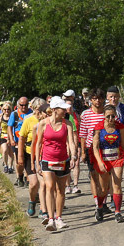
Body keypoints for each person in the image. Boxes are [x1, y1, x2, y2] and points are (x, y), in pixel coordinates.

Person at [33, 97, 79, 232]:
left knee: (61, 190)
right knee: (50, 186)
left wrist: (73, 156)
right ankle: (51, 219)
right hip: (47, 160)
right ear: (54, 109)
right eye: (62, 109)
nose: (65, 111)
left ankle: (59, 218)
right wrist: (37, 163)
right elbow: (38, 144)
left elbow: (71, 142)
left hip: (63, 160)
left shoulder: (67, 124)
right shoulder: (43, 124)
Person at [92, 104, 124, 223]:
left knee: (117, 184)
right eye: (108, 116)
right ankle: (99, 207)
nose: (110, 119)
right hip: (103, 159)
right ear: (104, 116)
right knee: (104, 188)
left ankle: (118, 212)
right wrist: (99, 162)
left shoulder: (120, 127)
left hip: (117, 158)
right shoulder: (98, 127)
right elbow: (95, 147)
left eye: (113, 116)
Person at [78, 89, 110, 220]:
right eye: (95, 98)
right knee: (94, 177)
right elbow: (83, 134)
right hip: (91, 148)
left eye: (100, 98)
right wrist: (83, 152)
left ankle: (104, 201)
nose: (97, 101)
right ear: (91, 100)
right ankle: (98, 203)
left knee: (105, 177)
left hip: (106, 148)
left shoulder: (107, 113)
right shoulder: (86, 114)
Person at [17, 98, 48, 218]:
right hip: (29, 154)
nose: (40, 112)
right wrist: (20, 156)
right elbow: (21, 138)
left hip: (44, 154)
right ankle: (32, 201)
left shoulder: (47, 120)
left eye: (43, 109)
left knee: (44, 183)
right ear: (34, 109)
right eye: (38, 109)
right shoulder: (29, 120)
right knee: (34, 183)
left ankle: (43, 208)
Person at [7, 96, 31, 186]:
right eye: (21, 105)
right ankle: (20, 176)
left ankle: (27, 178)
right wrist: (11, 139)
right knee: (19, 162)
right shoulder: (14, 114)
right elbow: (9, 127)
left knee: (28, 160)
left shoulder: (32, 113)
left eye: (25, 105)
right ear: (18, 105)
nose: (23, 107)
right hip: (17, 141)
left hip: (28, 142)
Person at [62, 89, 83, 194]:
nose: (69, 108)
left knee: (76, 163)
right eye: (67, 107)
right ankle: (67, 186)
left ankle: (75, 185)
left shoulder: (76, 115)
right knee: (67, 164)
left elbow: (79, 129)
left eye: (70, 106)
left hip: (76, 141)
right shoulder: (63, 117)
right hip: (65, 143)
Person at [0, 101, 13, 173]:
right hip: (3, 136)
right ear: (2, 110)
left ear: (10, 110)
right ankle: (6, 165)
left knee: (11, 153)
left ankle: (10, 166)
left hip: (11, 136)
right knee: (5, 150)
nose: (6, 111)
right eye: (5, 109)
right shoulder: (1, 118)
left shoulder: (12, 117)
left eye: (8, 109)